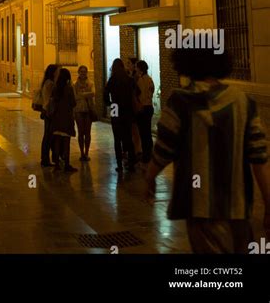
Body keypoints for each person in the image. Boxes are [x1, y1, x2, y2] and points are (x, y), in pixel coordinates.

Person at [145, 48, 270, 254]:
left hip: (200, 207)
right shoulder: (243, 102)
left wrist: (149, 177)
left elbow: (164, 149)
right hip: (238, 208)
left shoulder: (180, 101)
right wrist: (268, 202)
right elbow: (260, 158)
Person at [104, 59, 135, 173]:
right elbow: (137, 92)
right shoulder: (128, 79)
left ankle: (119, 164)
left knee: (117, 137)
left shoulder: (112, 80)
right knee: (128, 136)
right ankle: (131, 163)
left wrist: (109, 103)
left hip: (115, 107)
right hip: (127, 108)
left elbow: (105, 93)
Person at [50, 68, 77, 173]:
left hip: (56, 119)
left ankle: (57, 164)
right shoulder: (69, 88)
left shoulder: (55, 88)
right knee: (66, 143)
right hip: (66, 118)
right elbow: (73, 103)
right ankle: (66, 164)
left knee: (57, 141)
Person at [73, 65, 95, 161]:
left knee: (88, 132)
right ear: (78, 72)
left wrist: (81, 94)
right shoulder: (74, 84)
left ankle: (87, 152)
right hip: (78, 110)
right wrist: (86, 94)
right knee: (81, 132)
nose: (83, 73)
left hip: (88, 110)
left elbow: (93, 93)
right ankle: (82, 152)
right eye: (81, 71)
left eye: (84, 71)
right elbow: (75, 97)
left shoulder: (90, 83)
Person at [135, 60, 155, 164]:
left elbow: (140, 95)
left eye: (137, 67)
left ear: (140, 68)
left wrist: (139, 105)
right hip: (149, 107)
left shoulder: (140, 80)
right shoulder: (150, 79)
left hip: (143, 108)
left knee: (143, 133)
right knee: (147, 132)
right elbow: (151, 92)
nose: (135, 68)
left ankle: (146, 156)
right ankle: (150, 153)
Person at [39, 64, 58, 167]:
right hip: (50, 111)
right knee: (48, 136)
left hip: (46, 110)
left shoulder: (46, 82)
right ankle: (45, 159)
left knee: (48, 135)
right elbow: (51, 98)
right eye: (57, 71)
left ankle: (47, 158)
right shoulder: (50, 83)